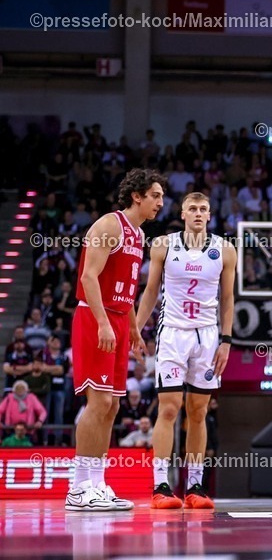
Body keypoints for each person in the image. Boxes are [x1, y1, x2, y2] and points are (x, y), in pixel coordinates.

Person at [65, 169, 164, 512]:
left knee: (113, 405)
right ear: (137, 196)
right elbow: (88, 277)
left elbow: (128, 288)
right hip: (96, 317)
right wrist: (104, 323)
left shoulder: (138, 234)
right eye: (155, 196)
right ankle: (79, 487)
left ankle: (97, 484)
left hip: (119, 319)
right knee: (98, 402)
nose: (160, 203)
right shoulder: (110, 225)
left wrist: (134, 329)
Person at [136, 192, 236, 509]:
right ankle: (161, 486)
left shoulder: (225, 249)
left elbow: (228, 298)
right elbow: (150, 291)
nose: (198, 213)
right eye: (192, 208)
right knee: (168, 409)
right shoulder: (163, 245)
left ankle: (195, 486)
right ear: (182, 214)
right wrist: (135, 329)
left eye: (203, 209)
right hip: (173, 333)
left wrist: (226, 340)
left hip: (207, 336)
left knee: (198, 411)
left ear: (209, 215)